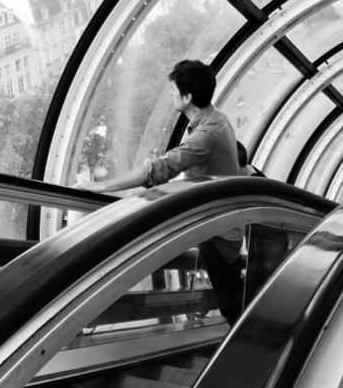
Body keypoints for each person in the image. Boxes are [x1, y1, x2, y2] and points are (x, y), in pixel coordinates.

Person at [87, 59, 246, 321]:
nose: (171, 95)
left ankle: (249, 344)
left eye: (174, 91)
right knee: (232, 294)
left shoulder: (207, 135)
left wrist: (101, 186)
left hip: (219, 235)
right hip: (224, 226)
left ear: (187, 97)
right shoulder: (219, 120)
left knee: (231, 302)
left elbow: (160, 169)